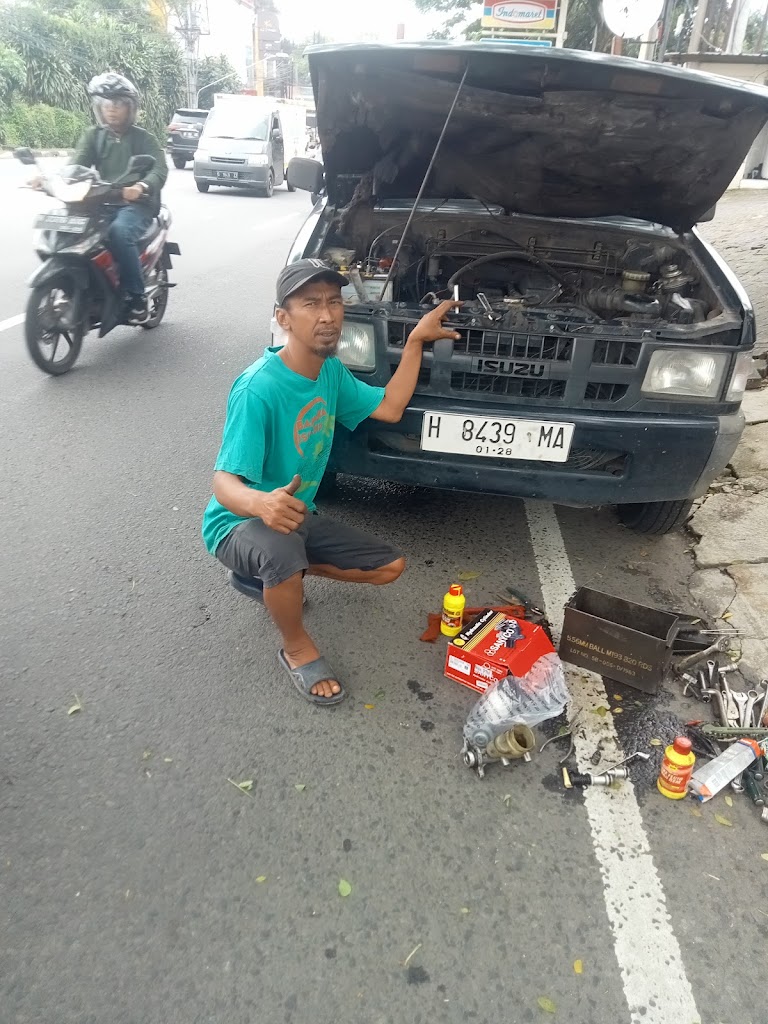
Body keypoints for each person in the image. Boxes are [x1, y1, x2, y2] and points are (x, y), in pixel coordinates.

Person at [202, 259, 460, 706]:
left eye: (334, 302)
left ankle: (264, 576)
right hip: (237, 523)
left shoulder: (330, 372)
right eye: (311, 304)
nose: (327, 315)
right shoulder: (257, 388)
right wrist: (262, 504)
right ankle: (296, 647)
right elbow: (223, 482)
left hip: (296, 516)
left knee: (390, 567)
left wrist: (416, 340)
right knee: (280, 552)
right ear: (283, 318)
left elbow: (390, 408)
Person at [71, 73, 168, 324]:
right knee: (72, 229)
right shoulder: (93, 136)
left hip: (136, 205)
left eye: (118, 103)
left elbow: (159, 170)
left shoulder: (144, 138)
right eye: (106, 103)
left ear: (130, 108)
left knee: (119, 232)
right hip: (100, 201)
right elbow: (75, 166)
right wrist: (50, 180)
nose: (111, 109)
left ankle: (136, 297)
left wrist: (142, 185)